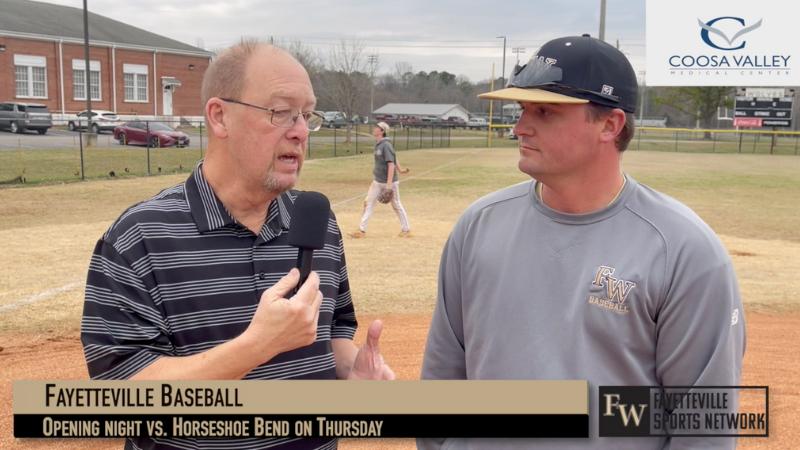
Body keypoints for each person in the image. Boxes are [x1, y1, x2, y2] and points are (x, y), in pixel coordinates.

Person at [419, 34, 745, 449]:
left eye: (545, 111)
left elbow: (703, 428)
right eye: (521, 109)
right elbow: (443, 378)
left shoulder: (683, 250)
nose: (520, 126)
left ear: (610, 125)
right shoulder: (479, 225)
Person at [81, 41, 394, 450]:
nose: (300, 131)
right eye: (280, 111)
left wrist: (352, 367)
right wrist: (255, 346)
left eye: (306, 114)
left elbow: (332, 330)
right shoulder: (138, 237)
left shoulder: (317, 221)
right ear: (219, 116)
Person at [349, 121, 411, 238]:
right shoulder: (379, 144)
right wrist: (401, 169)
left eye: (377, 127)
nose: (374, 128)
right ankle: (361, 230)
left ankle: (406, 230)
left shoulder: (386, 145)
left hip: (390, 182)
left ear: (382, 131)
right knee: (368, 203)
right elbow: (394, 157)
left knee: (396, 205)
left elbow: (391, 164)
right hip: (377, 181)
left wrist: (388, 185)